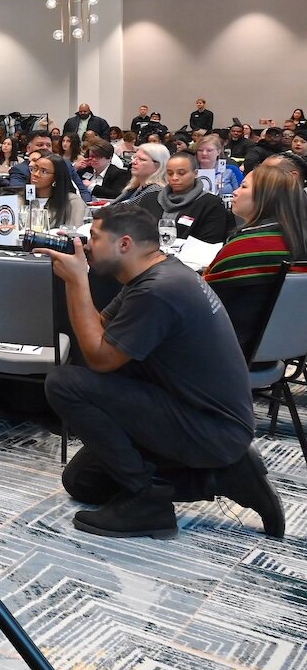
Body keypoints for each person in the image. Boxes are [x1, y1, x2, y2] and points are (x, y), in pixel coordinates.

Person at [39, 204, 283, 539]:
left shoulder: (158, 290)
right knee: (83, 482)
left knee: (64, 384)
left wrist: (77, 282)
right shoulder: (155, 273)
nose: (86, 244)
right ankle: (225, 476)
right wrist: (77, 281)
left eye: (94, 237)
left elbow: (98, 357)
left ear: (124, 244)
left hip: (210, 428)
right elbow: (101, 329)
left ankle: (148, 502)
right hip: (196, 413)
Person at [204, 164, 307, 356]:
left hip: (230, 351)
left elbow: (204, 299)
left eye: (243, 187)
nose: (234, 192)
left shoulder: (248, 245)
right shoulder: (297, 238)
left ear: (266, 196)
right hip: (287, 347)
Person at [156, 152, 230, 244]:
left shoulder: (211, 203)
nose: (174, 178)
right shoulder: (152, 199)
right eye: (170, 173)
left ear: (195, 173)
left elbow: (209, 242)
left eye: (181, 173)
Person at [27, 153, 88, 229]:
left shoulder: (72, 201)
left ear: (56, 178)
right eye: (35, 169)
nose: (36, 174)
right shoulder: (21, 198)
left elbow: (76, 233)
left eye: (44, 171)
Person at [110, 142, 169, 208]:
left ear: (158, 165)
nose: (133, 162)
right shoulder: (135, 187)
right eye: (134, 157)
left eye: (142, 159)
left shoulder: (156, 193)